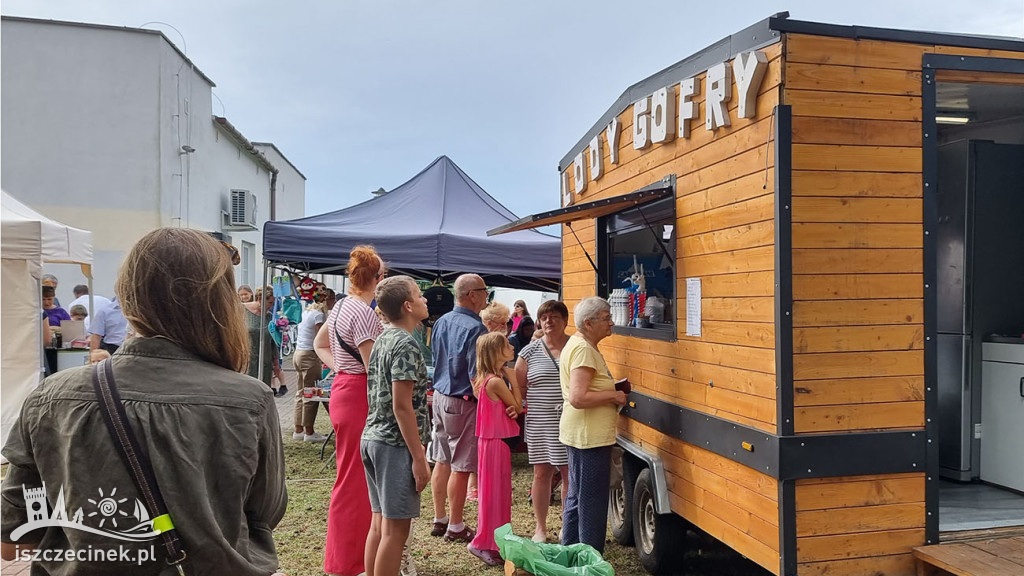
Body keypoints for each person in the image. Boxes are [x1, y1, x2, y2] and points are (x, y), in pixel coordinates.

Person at [0, 227, 288, 574]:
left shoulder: (52, 397)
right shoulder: (249, 399)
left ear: (128, 294)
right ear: (221, 301)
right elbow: (265, 515)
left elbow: (14, 538)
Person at [314, 246, 385, 576]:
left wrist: (341, 368)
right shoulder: (365, 314)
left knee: (351, 477)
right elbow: (375, 369)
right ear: (377, 278)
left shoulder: (341, 305)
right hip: (359, 394)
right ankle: (349, 562)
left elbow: (320, 344)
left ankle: (345, 560)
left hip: (343, 389)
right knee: (357, 481)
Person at [361, 276, 431, 576]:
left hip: (374, 439)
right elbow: (402, 406)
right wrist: (418, 458)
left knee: (380, 524)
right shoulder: (405, 344)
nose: (425, 300)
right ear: (408, 305)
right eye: (419, 295)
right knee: (395, 532)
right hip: (394, 445)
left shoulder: (384, 338)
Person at [559, 297, 626, 553]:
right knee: (592, 503)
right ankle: (589, 558)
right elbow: (578, 397)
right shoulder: (584, 350)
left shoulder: (578, 343)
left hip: (581, 434)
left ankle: (570, 552)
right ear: (588, 323)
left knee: (577, 498)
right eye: (606, 318)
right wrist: (614, 396)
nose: (611, 322)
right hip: (589, 438)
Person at [429, 274, 490, 543]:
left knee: (441, 459)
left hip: (440, 396)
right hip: (463, 401)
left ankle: (440, 518)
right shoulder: (477, 329)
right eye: (485, 291)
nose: (487, 296)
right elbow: (478, 376)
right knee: (462, 465)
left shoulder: (441, 321)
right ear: (472, 295)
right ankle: (455, 525)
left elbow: (435, 359)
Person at [515, 300, 571, 543]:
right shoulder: (528, 352)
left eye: (554, 316)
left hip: (571, 420)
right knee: (541, 474)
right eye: (544, 317)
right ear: (539, 321)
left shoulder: (577, 346)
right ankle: (540, 528)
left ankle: (567, 527)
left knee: (570, 475)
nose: (549, 321)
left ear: (565, 320)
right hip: (540, 419)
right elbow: (520, 389)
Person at [467, 333, 523, 566]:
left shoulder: (485, 379)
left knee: (493, 493)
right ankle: (486, 543)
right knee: (496, 495)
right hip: (496, 442)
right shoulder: (497, 381)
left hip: (490, 442)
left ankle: (494, 540)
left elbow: (508, 408)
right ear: (496, 352)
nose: (512, 347)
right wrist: (514, 380)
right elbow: (517, 406)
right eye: (507, 345)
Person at [291, 290, 334, 442]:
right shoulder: (319, 316)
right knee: (311, 394)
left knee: (300, 392)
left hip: (298, 353)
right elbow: (321, 338)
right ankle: (309, 432)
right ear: (327, 300)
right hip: (309, 355)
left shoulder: (307, 311)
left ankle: (298, 429)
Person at [245, 286, 287, 396]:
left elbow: (272, 341)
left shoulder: (269, 317)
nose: (272, 306)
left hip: (265, 363)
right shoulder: (241, 311)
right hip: (247, 363)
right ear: (260, 299)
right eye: (270, 303)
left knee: (263, 396)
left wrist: (276, 364)